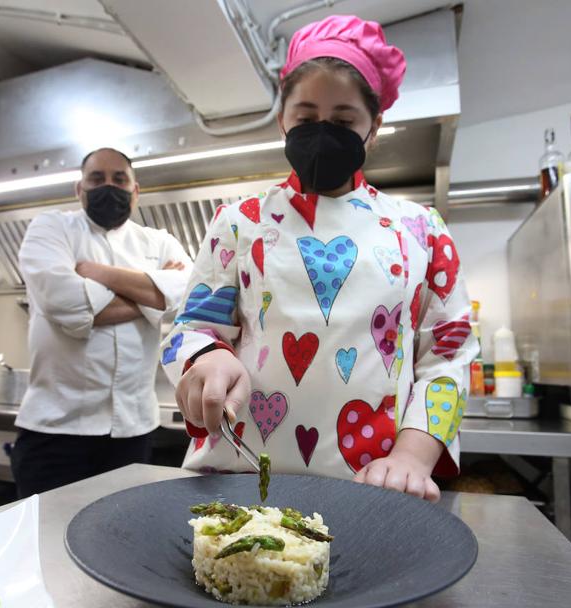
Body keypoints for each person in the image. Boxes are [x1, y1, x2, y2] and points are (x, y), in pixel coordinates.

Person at [160, 15, 479, 501]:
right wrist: (205, 359)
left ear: (373, 129)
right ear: (283, 121)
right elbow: (193, 329)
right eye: (306, 118)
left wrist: (413, 458)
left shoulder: (422, 229)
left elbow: (448, 356)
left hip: (374, 483)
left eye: (344, 120)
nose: (322, 132)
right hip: (237, 477)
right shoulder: (239, 221)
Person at [11, 147, 191, 497]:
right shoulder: (51, 228)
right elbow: (63, 302)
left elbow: (187, 295)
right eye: (97, 179)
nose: (108, 186)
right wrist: (153, 295)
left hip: (133, 431)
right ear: (80, 190)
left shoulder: (159, 241)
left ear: (135, 191)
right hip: (56, 431)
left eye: (119, 179)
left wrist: (98, 274)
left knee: (117, 541)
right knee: (44, 543)